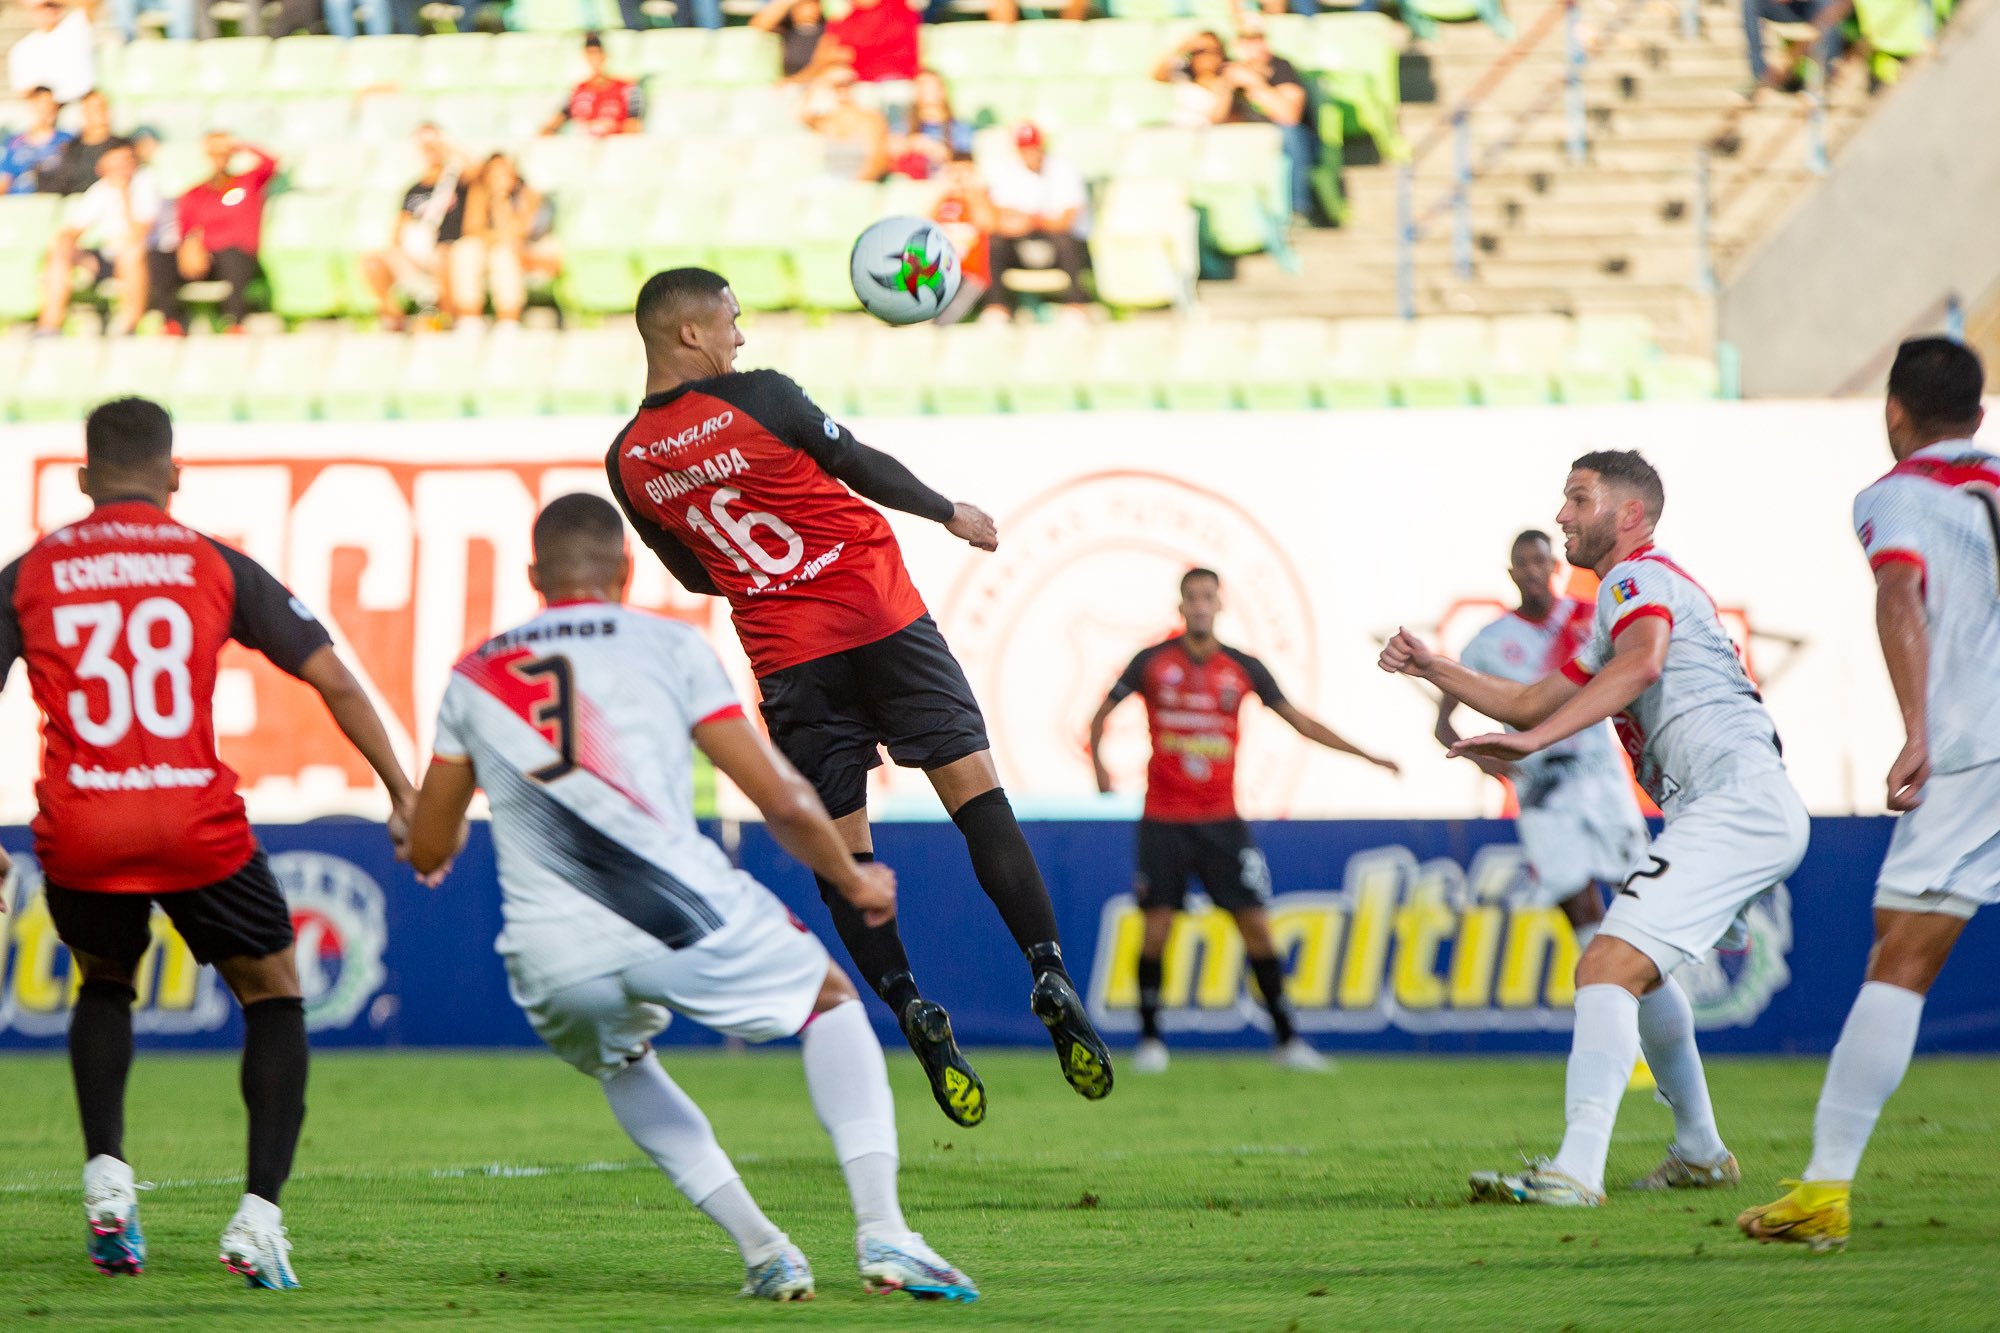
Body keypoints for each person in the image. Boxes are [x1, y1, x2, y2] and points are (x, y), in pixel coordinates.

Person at [404, 494, 976, 1303]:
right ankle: (884, 1230)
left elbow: (429, 849)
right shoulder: (669, 646)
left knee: (623, 1060)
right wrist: (851, 876)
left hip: (551, 947)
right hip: (675, 909)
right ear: (626, 571)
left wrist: (416, 825)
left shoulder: (474, 672)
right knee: (829, 999)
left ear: (535, 577)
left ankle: (765, 1249)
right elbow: (777, 793)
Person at [605, 267, 1115, 1127]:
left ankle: (909, 1002)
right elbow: (855, 460)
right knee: (977, 800)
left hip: (789, 662)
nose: (741, 336)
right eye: (731, 319)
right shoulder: (760, 397)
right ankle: (1048, 967)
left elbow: (695, 569)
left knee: (844, 856)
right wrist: (946, 508)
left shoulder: (626, 460)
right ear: (689, 334)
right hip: (882, 620)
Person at [0, 398, 419, 1289]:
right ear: (174, 475)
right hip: (194, 824)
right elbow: (333, 676)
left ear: (83, 480)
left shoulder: (30, 572)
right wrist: (402, 787)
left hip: (80, 825)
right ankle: (259, 1219)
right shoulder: (211, 563)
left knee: (104, 982)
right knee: (274, 994)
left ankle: (107, 1181)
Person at [1379, 449, 1808, 1207]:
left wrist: (1534, 744)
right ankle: (1700, 1150)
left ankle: (1576, 1169)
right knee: (1635, 971)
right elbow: (1533, 697)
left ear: (1630, 514)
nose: (1562, 515)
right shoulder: (1624, 596)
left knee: (1603, 964)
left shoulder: (1634, 578)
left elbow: (1641, 666)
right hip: (1732, 807)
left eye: (1579, 498)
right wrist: (1432, 666)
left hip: (1734, 804)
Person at [1738, 339, 1997, 1252]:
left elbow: (1899, 593)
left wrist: (1918, 729)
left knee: (1901, 955)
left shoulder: (1897, 496)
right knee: (1902, 944)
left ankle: (1825, 1189)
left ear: (1893, 411)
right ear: (1977, 411)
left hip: (1980, 750)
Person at [1088, 567, 1399, 1074]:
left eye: (1208, 597)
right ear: (1181, 605)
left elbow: (1300, 721)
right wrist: (1100, 770)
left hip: (1222, 822)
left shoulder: (1243, 667)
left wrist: (1365, 756)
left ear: (1219, 604)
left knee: (1256, 924)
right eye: (1192, 597)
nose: (1200, 605)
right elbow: (1099, 717)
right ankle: (1150, 1042)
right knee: (1156, 929)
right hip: (1164, 820)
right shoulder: (1151, 662)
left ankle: (1287, 1041)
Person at [1438, 531, 1649, 952]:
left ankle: (1647, 996)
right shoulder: (1488, 643)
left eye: (1540, 562)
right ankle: (1606, 991)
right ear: (1511, 572)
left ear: (1555, 566)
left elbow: (1640, 672)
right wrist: (1488, 763)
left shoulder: (1594, 618)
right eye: (1523, 563)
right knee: (1580, 909)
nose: (1532, 571)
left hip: (1599, 775)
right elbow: (1442, 724)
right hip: (1541, 787)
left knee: (1640, 895)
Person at [150, 132, 276, 335]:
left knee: (233, 256)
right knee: (159, 258)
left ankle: (234, 321)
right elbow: (186, 229)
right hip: (206, 258)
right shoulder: (196, 193)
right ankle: (171, 321)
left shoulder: (247, 183)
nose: (219, 159)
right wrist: (189, 248)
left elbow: (271, 163)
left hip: (236, 255)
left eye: (223, 154)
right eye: (214, 154)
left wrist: (238, 145)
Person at [40, 140, 160, 336]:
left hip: (147, 257)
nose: (120, 169)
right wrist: (66, 244)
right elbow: (73, 229)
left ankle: (130, 325)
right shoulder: (101, 189)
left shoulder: (146, 184)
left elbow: (138, 233)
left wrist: (124, 195)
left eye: (125, 163)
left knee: (131, 252)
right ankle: (49, 326)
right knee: (60, 252)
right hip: (109, 256)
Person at [359, 125, 466, 331]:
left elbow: (475, 167)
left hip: (445, 249)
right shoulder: (413, 190)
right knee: (371, 262)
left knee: (443, 257)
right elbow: (399, 226)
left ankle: (448, 318)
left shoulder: (458, 181)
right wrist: (402, 252)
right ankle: (394, 319)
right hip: (414, 251)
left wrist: (445, 145)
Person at [984, 122, 1091, 320]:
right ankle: (997, 307)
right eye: (1026, 149)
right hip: (1023, 242)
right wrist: (1021, 223)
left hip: (1059, 243)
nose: (1031, 153)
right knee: (994, 242)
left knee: (1065, 240)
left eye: (1034, 147)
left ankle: (1076, 304)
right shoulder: (1008, 172)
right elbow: (997, 217)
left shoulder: (1064, 170)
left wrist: (1030, 220)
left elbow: (1066, 221)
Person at [1224, 27, 1321, 225]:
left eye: (1260, 39)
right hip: (1248, 137)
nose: (1257, 47)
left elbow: (1289, 115)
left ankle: (1298, 207)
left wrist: (1256, 84)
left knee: (1289, 135)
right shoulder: (1229, 70)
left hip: (1290, 136)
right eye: (1249, 41)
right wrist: (1225, 86)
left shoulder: (1281, 67)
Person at [451, 154, 555, 325]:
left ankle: (509, 320)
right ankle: (469, 319)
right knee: (467, 250)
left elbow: (518, 233)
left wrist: (501, 201)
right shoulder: (479, 192)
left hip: (528, 251)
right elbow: (473, 229)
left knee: (504, 256)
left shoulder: (528, 195)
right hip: (493, 247)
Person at [929, 150, 994, 324]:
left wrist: (972, 192)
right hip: (940, 269)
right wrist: (941, 193)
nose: (959, 178)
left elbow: (988, 224)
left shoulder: (981, 199)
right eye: (954, 172)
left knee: (943, 320)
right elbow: (923, 226)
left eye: (965, 172)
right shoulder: (944, 202)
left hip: (970, 274)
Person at [541, 33, 647, 138]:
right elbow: (556, 121)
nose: (594, 59)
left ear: (604, 55)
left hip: (615, 142)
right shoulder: (578, 90)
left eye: (596, 53)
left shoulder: (627, 87)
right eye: (590, 54)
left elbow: (634, 125)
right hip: (583, 145)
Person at [800, 66, 889, 182]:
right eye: (836, 85)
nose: (842, 89)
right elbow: (800, 116)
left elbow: (876, 162)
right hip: (832, 182)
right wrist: (818, 83)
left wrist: (853, 186)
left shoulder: (870, 119)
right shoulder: (827, 121)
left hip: (860, 185)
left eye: (848, 84)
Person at [886, 69, 972, 181]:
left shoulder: (960, 129)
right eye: (920, 86)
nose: (925, 91)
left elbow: (965, 162)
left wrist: (934, 149)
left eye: (930, 86)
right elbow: (889, 148)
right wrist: (910, 144)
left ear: (942, 91)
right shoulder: (904, 125)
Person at [40, 90, 129, 198]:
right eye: (92, 108)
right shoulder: (72, 148)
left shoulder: (122, 147)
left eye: (101, 107)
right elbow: (60, 184)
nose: (98, 112)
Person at [8, 0, 95, 105]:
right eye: (42, 8)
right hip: (51, 111)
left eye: (52, 6)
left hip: (82, 104)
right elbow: (24, 90)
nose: (49, 11)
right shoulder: (21, 49)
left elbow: (90, 3)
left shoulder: (75, 27)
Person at [1, 85, 75, 195]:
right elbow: (4, 180)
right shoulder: (14, 142)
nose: (46, 111)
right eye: (41, 105)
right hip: (19, 204)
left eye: (50, 106)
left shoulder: (66, 140)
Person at [1156, 30, 1233, 129]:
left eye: (1212, 51)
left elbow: (1217, 118)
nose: (1205, 57)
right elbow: (1158, 75)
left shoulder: (1227, 80)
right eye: (1199, 52)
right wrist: (1180, 49)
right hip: (1175, 129)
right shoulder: (1183, 76)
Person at [752, 0, 827, 79]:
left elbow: (822, 63)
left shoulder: (826, 30)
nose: (811, 10)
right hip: (789, 82)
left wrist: (796, 80)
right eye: (803, 6)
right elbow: (759, 25)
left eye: (814, 5)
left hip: (814, 80)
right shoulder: (788, 29)